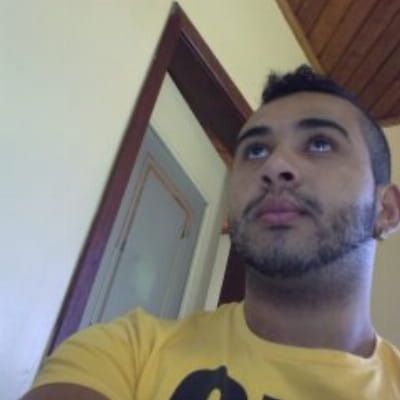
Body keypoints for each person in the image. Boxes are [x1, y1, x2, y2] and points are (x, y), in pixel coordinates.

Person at [22, 65, 400, 400]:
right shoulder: (126, 351)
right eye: (255, 151)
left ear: (385, 210)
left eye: (320, 143)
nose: (274, 166)